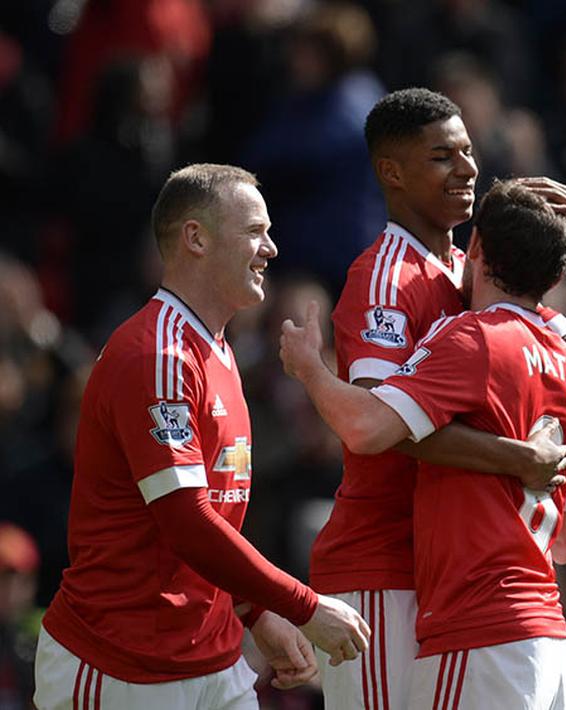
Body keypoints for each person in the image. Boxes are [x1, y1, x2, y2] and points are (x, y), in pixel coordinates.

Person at [309, 87, 566, 709]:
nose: (467, 169)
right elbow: (378, 424)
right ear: (391, 172)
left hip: (450, 573)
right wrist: (515, 458)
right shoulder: (385, 276)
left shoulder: (477, 272)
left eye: (468, 151)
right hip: (382, 563)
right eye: (442, 156)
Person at [33, 164, 370, 710]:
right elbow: (188, 521)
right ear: (195, 237)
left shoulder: (216, 351)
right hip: (120, 666)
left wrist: (256, 614)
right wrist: (303, 607)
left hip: (211, 658)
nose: (272, 249)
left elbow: (210, 521)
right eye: (255, 231)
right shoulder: (159, 355)